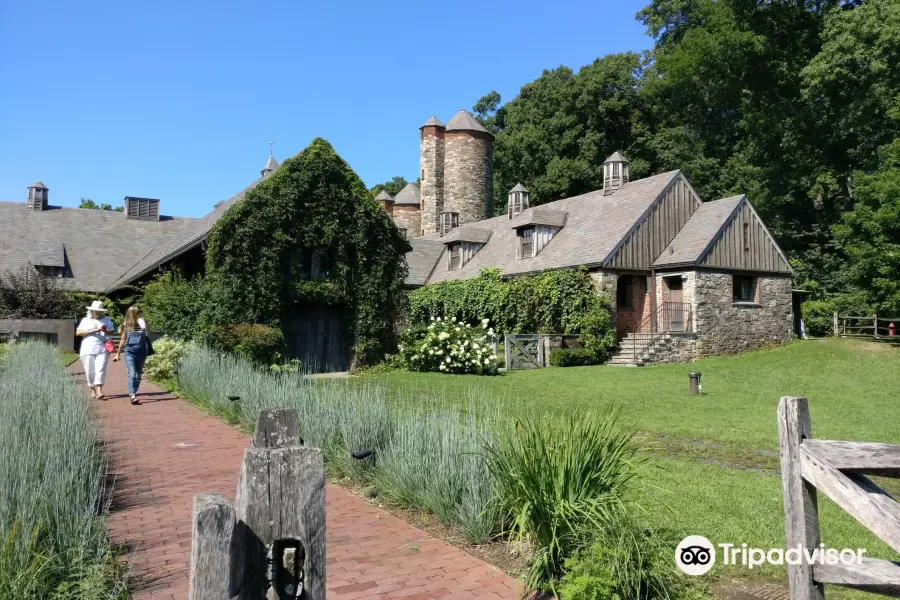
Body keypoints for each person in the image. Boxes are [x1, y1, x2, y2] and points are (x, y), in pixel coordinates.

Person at [76, 300, 115, 400]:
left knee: (100, 369)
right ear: (92, 311)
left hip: (102, 348)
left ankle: (99, 390)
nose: (97, 312)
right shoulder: (86, 320)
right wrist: (91, 330)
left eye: (99, 311)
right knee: (90, 371)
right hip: (88, 348)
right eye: (95, 311)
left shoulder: (106, 319)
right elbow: (78, 333)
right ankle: (92, 389)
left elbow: (112, 332)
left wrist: (106, 330)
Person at [113, 306, 150, 405]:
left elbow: (147, 335)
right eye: (138, 312)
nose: (140, 313)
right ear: (134, 314)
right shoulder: (126, 325)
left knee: (138, 375)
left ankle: (133, 390)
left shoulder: (142, 323)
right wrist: (118, 354)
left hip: (141, 352)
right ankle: (132, 395)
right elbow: (123, 339)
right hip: (130, 352)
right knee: (132, 374)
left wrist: (144, 325)